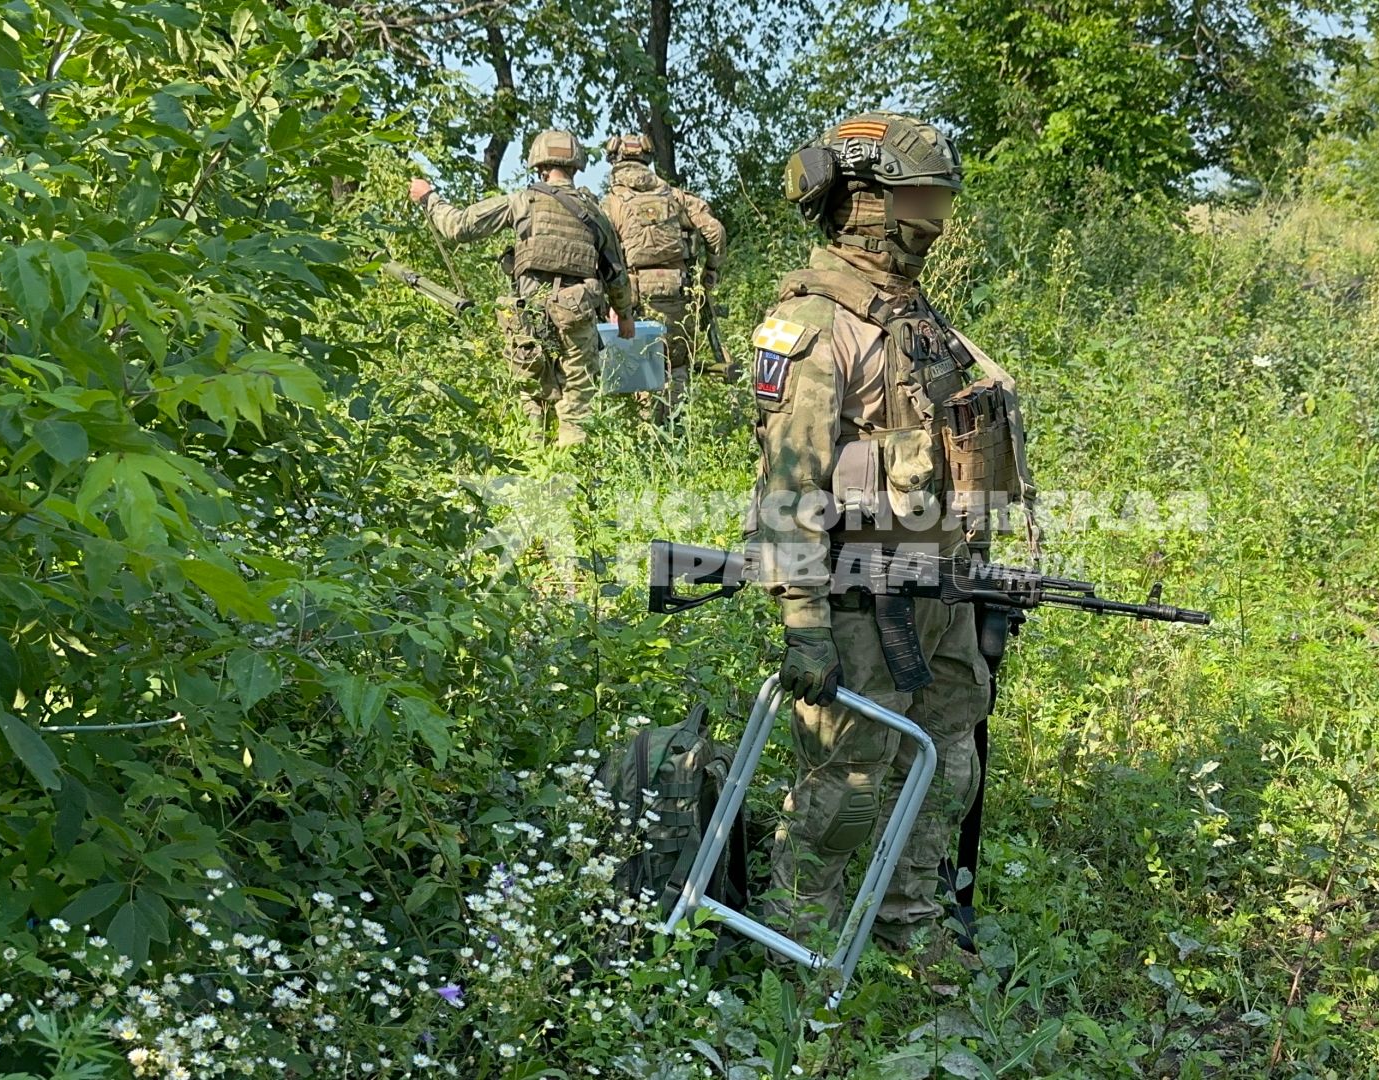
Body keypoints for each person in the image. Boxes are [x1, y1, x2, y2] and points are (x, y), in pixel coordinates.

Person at [746, 112, 1035, 966]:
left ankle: (913, 919)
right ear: (864, 201)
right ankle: (794, 942)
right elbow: (788, 487)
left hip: (940, 584)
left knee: (948, 757)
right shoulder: (813, 326)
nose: (937, 215)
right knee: (851, 778)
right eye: (921, 195)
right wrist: (802, 620)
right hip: (856, 598)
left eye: (939, 195)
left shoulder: (918, 317)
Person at [408, 130, 636, 447]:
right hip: (577, 314)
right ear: (576, 166)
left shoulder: (521, 202)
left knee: (533, 405)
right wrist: (624, 315)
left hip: (528, 317)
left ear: (540, 165)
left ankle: (535, 472)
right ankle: (576, 476)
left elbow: (458, 227)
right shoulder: (595, 214)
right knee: (576, 410)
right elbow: (616, 272)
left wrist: (428, 197)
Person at [599, 133, 729, 413]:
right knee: (678, 366)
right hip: (678, 292)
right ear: (647, 160)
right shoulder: (675, 196)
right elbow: (714, 231)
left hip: (633, 297)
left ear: (615, 161)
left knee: (641, 369)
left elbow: (601, 253)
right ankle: (677, 428)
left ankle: (650, 436)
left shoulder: (610, 203)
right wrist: (710, 271)